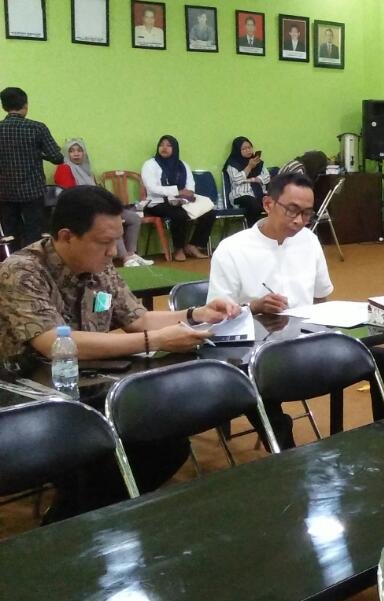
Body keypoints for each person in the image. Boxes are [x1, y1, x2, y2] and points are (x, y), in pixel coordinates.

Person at [0, 186, 240, 520]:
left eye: (116, 240)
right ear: (66, 236)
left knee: (168, 442)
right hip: (27, 396)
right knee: (94, 456)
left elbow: (138, 319)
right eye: (104, 242)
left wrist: (196, 314)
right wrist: (155, 341)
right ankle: (72, 524)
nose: (114, 251)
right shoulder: (22, 271)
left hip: (88, 387)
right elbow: (53, 343)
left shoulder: (101, 267)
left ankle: (99, 517)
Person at [207, 172, 384, 449]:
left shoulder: (308, 241)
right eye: (292, 210)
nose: (299, 221)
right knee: (257, 388)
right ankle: (287, 456)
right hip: (261, 355)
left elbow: (322, 299)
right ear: (268, 204)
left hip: (308, 343)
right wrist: (254, 306)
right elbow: (216, 318)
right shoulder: (232, 250)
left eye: (307, 213)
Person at [53, 138, 150, 267]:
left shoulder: (87, 170)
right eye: (72, 151)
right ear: (66, 153)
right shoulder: (64, 168)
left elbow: (96, 191)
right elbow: (69, 195)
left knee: (133, 218)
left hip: (98, 207)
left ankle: (131, 254)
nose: (76, 154)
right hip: (80, 209)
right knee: (111, 221)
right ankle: (125, 258)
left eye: (79, 150)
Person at [0, 87, 62, 249]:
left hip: (5, 192)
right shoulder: (37, 128)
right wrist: (39, 154)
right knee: (34, 232)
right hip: (32, 191)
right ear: (25, 105)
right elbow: (57, 158)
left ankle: (13, 261)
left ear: (4, 106)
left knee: (11, 234)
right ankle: (33, 261)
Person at [140, 134, 215, 262]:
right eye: (161, 145)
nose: (164, 148)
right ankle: (179, 249)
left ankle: (193, 245)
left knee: (209, 212)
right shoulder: (150, 164)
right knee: (179, 214)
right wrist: (177, 191)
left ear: (175, 148)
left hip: (181, 200)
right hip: (157, 202)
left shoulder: (183, 165)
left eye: (169, 145)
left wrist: (188, 193)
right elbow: (152, 187)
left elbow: (190, 184)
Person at [222, 136, 271, 225]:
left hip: (259, 193)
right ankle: (253, 230)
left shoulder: (258, 162)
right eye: (244, 149)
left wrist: (251, 179)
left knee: (275, 202)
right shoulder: (232, 164)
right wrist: (249, 166)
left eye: (249, 147)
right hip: (241, 195)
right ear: (238, 150)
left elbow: (267, 177)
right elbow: (237, 180)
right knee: (253, 204)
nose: (248, 150)